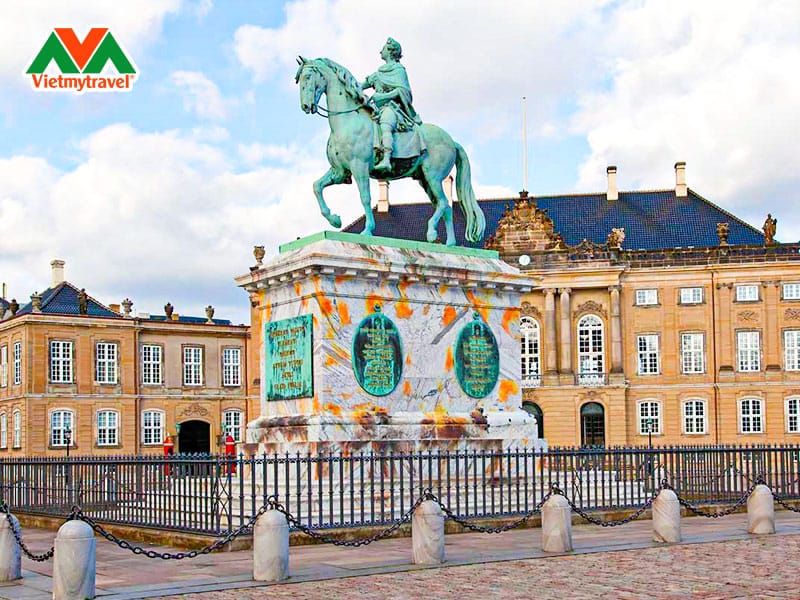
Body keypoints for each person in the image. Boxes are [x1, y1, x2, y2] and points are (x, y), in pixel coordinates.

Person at [361, 38, 421, 171]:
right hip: (376, 109)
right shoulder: (378, 73)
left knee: (385, 123)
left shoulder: (399, 70)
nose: (380, 51)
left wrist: (383, 96)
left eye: (383, 49)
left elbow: (403, 91)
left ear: (390, 51)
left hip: (392, 108)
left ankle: (386, 159)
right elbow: (360, 86)